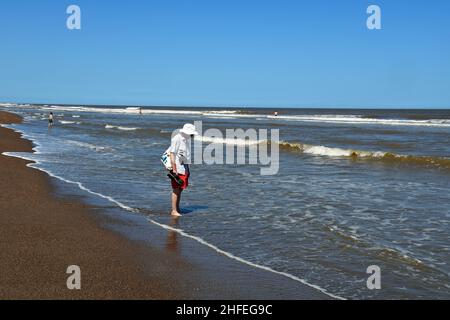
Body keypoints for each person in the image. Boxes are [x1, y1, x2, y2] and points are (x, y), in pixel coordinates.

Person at [165, 123, 199, 217]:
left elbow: (184, 155)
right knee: (176, 189)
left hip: (184, 168)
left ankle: (177, 208)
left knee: (180, 189)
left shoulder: (186, 139)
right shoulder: (177, 138)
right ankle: (174, 210)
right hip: (177, 169)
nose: (192, 135)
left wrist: (188, 170)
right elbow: (172, 153)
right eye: (191, 134)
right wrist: (174, 169)